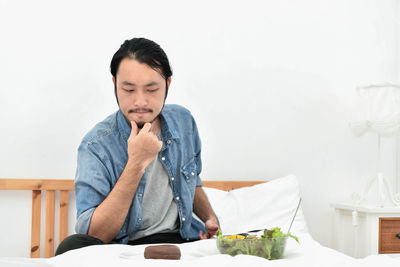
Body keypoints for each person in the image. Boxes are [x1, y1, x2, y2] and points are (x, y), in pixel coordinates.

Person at [56, 37, 219, 255]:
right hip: (125, 250)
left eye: (151, 90)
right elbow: (94, 234)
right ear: (114, 84)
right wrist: (136, 162)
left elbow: (192, 180)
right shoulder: (95, 145)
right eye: (129, 90)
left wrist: (210, 217)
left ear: (167, 85)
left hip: (181, 243)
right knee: (70, 246)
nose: (140, 102)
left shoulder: (184, 121)